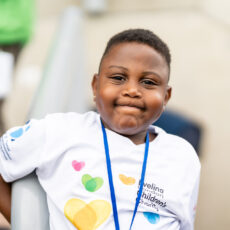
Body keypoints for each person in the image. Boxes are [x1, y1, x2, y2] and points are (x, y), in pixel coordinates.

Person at [0, 29, 200, 230]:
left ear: (166, 96)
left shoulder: (182, 157)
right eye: (118, 77)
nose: (131, 90)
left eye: (148, 82)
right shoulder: (59, 132)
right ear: (95, 87)